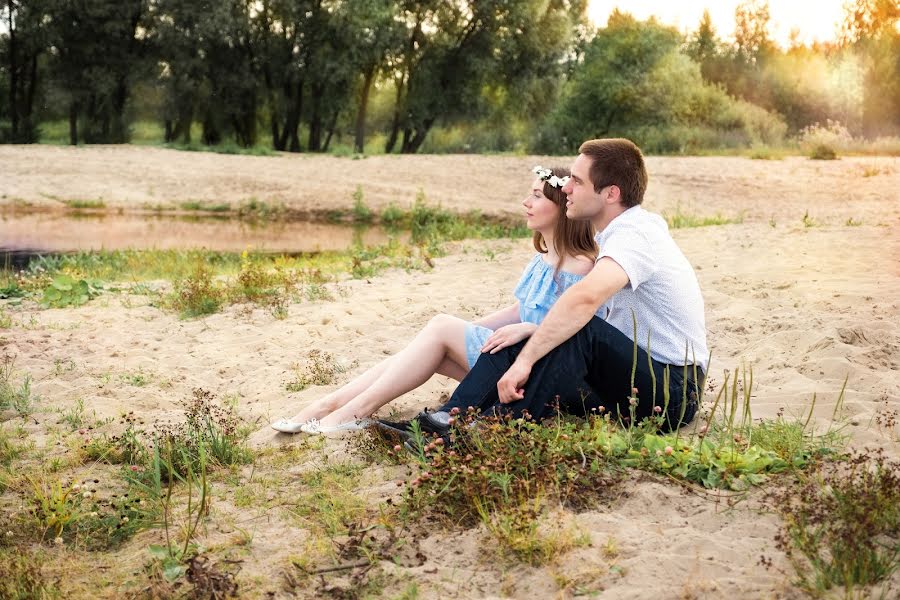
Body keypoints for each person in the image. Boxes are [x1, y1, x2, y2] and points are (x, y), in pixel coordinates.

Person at [391, 138, 709, 438]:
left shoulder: (635, 234)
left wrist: (526, 361)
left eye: (578, 181)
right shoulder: (610, 236)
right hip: (625, 384)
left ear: (611, 193)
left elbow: (585, 299)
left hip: (672, 391)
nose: (566, 187)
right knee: (519, 338)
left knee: (578, 331)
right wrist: (530, 332)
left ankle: (485, 433)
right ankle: (450, 419)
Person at [271, 166, 598, 434]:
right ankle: (331, 404)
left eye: (537, 196)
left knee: (439, 329)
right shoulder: (543, 258)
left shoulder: (580, 265)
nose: (526, 202)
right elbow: (520, 309)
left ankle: (353, 411)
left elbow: (571, 333)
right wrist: (471, 328)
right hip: (510, 357)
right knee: (427, 348)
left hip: (534, 371)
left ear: (561, 208)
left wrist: (465, 330)